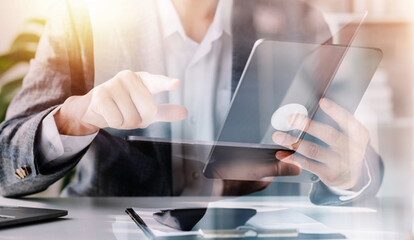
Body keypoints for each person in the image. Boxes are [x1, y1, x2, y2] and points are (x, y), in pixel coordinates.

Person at [0, 0, 383, 206]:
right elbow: (6, 163)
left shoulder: (297, 18)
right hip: (112, 226)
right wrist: (74, 118)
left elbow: (355, 149)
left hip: (256, 228)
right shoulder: (84, 15)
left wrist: (349, 176)